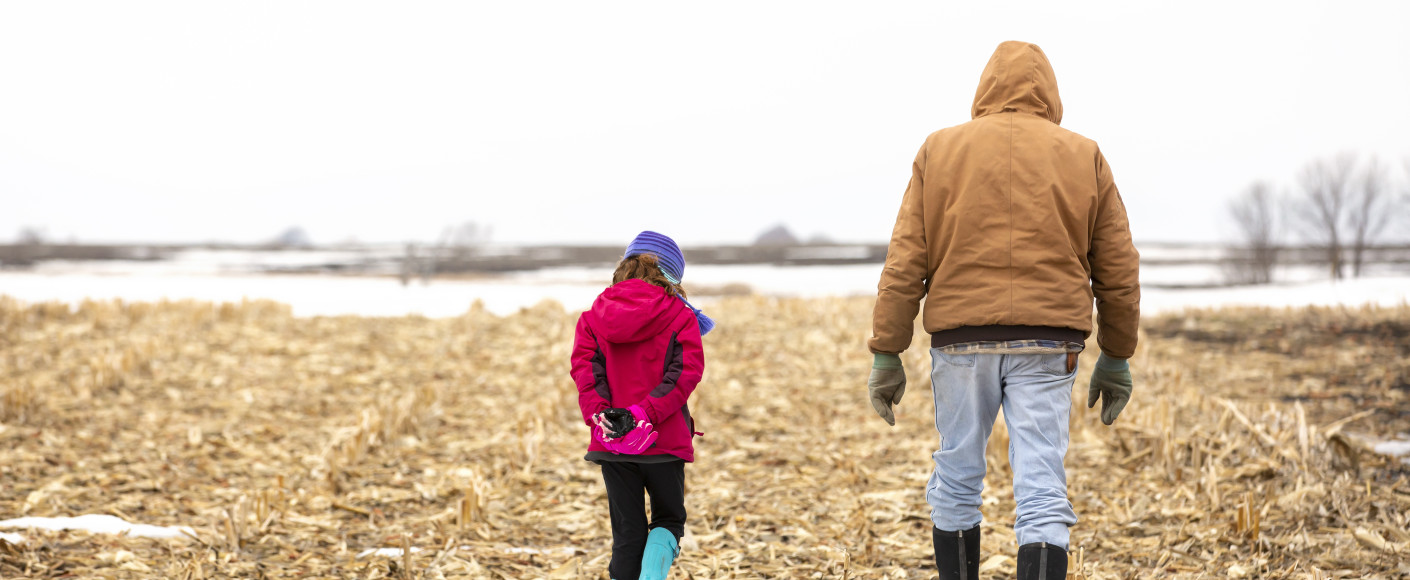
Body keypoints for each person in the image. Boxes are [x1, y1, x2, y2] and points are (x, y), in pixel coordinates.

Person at [866, 41, 1140, 580]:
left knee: (958, 473)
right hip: (1049, 341)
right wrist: (1117, 354)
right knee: (1041, 482)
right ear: (1050, 92)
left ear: (984, 87)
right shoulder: (1083, 154)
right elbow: (1117, 266)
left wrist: (887, 351)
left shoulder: (938, 151)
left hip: (960, 341)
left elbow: (905, 259)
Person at [570, 231, 713, 580]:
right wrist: (644, 415)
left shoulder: (592, 318)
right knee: (668, 521)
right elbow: (685, 374)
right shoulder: (680, 317)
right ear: (671, 275)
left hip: (613, 445)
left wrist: (603, 418)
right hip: (664, 441)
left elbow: (586, 375)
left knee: (627, 535)